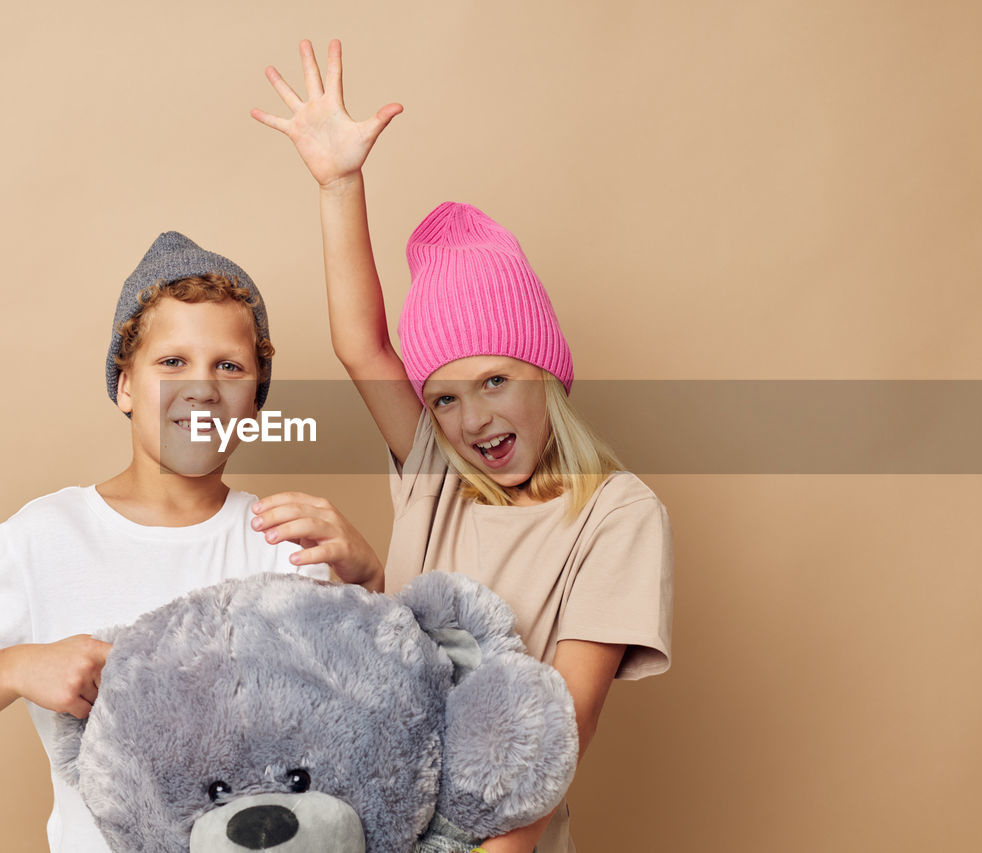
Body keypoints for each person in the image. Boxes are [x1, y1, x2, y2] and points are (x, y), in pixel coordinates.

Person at [251, 40, 673, 853]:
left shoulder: (617, 515)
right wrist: (340, 184)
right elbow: (362, 347)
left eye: (494, 381)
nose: (473, 419)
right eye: (442, 397)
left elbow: (552, 742)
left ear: (546, 372)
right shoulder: (436, 474)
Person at [0, 231, 384, 853]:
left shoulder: (285, 541)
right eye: (172, 362)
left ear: (256, 400)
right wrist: (17, 666)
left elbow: (368, 723)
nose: (203, 388)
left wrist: (368, 580)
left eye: (230, 367)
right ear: (126, 386)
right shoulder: (45, 535)